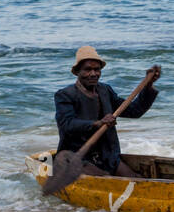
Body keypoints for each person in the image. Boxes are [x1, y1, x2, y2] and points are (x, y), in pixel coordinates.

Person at [54, 46, 160, 177]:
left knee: (136, 179)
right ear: (77, 72)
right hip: (78, 157)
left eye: (97, 69)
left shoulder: (105, 91)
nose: (93, 74)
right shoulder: (65, 95)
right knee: (107, 180)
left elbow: (135, 111)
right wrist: (97, 123)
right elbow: (67, 124)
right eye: (87, 69)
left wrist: (148, 85)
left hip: (107, 156)